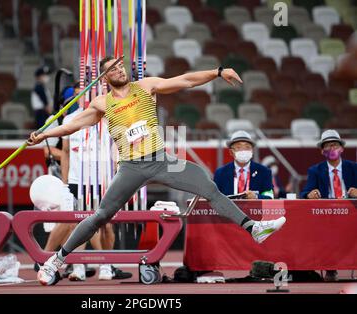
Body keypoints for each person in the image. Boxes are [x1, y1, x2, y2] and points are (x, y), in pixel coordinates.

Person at [28, 56, 287, 285]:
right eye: (113, 69)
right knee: (101, 216)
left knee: (208, 185)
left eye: (121, 65)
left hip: (161, 161)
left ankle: (253, 228)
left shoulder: (146, 86)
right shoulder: (101, 103)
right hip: (131, 167)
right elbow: (70, 127)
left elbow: (185, 81)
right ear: (105, 77)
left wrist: (218, 72)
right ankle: (56, 260)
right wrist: (43, 134)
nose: (120, 70)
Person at [40, 83, 132, 281]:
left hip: (103, 179)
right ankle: (78, 266)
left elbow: (119, 148)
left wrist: (117, 174)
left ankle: (107, 266)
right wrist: (65, 184)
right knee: (77, 224)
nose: (87, 98)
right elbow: (65, 153)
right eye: (82, 95)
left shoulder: (110, 118)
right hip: (77, 181)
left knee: (107, 225)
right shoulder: (70, 119)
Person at [301, 129, 357, 281]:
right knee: (324, 227)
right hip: (327, 214)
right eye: (327, 146)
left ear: (342, 148)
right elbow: (304, 192)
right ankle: (330, 268)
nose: (332, 149)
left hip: (352, 213)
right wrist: (309, 195)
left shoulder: (354, 168)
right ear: (322, 151)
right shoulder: (315, 170)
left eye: (335, 145)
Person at [214, 131, 274, 199]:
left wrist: (256, 197)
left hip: (254, 209)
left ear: (252, 151)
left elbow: (270, 197)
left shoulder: (264, 172)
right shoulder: (220, 173)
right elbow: (214, 198)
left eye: (247, 147)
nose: (243, 150)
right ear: (231, 152)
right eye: (238, 147)